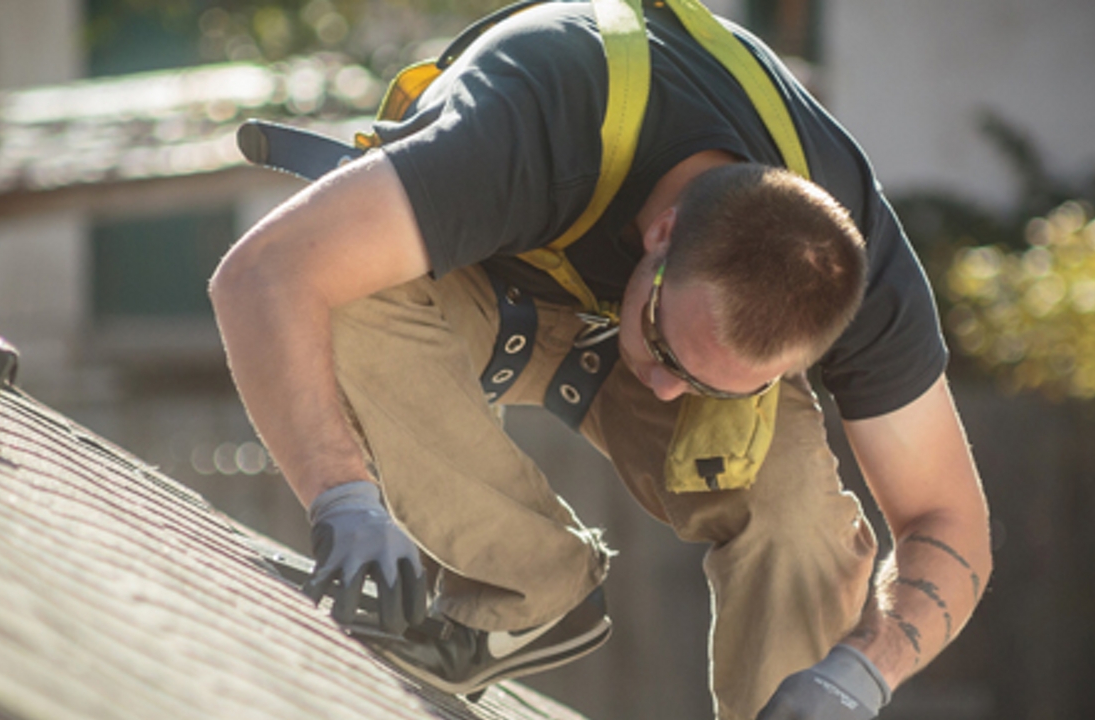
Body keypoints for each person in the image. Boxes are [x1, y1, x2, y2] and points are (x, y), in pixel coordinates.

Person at [210, 2, 992, 718]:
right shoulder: (533, 118)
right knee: (337, 297)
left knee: (797, 512)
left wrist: (862, 672)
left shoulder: (863, 276)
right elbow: (261, 274)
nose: (660, 387)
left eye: (702, 385)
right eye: (664, 346)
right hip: (468, 291)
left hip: (617, 293)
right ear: (662, 233)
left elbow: (950, 523)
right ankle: (529, 592)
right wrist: (342, 494)